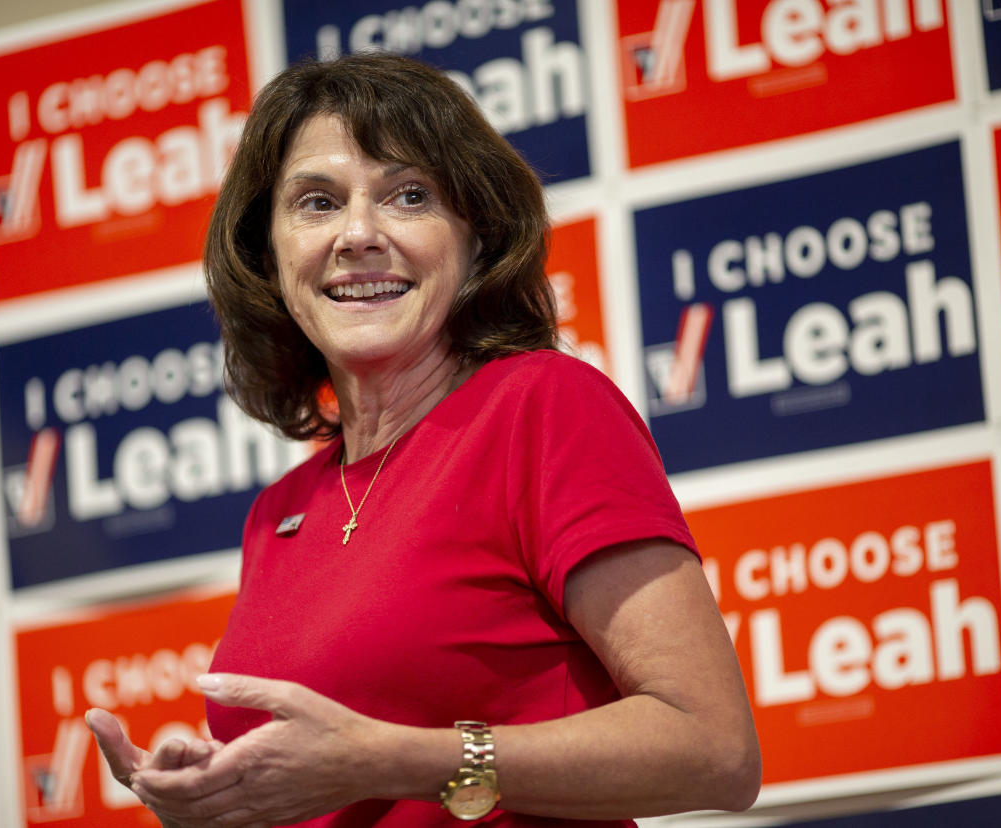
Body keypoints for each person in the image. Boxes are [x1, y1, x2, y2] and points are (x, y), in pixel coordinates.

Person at [85, 52, 760, 827]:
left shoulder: (541, 407)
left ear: (476, 240)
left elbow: (714, 752)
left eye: (409, 196)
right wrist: (220, 802)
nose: (358, 234)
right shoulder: (280, 510)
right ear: (267, 258)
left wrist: (395, 759)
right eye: (316, 203)